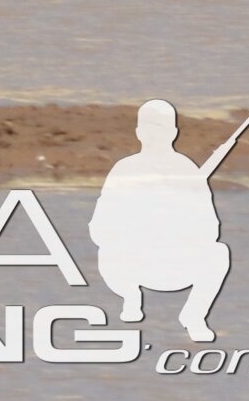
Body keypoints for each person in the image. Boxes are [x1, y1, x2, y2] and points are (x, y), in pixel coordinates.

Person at [92, 99, 233, 344]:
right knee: (107, 252)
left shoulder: (186, 171)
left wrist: (177, 224)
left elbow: (210, 231)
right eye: (152, 129)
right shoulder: (125, 169)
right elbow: (99, 229)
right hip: (134, 264)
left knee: (219, 252)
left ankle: (193, 315)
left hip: (174, 265)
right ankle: (131, 297)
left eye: (157, 129)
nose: (154, 135)